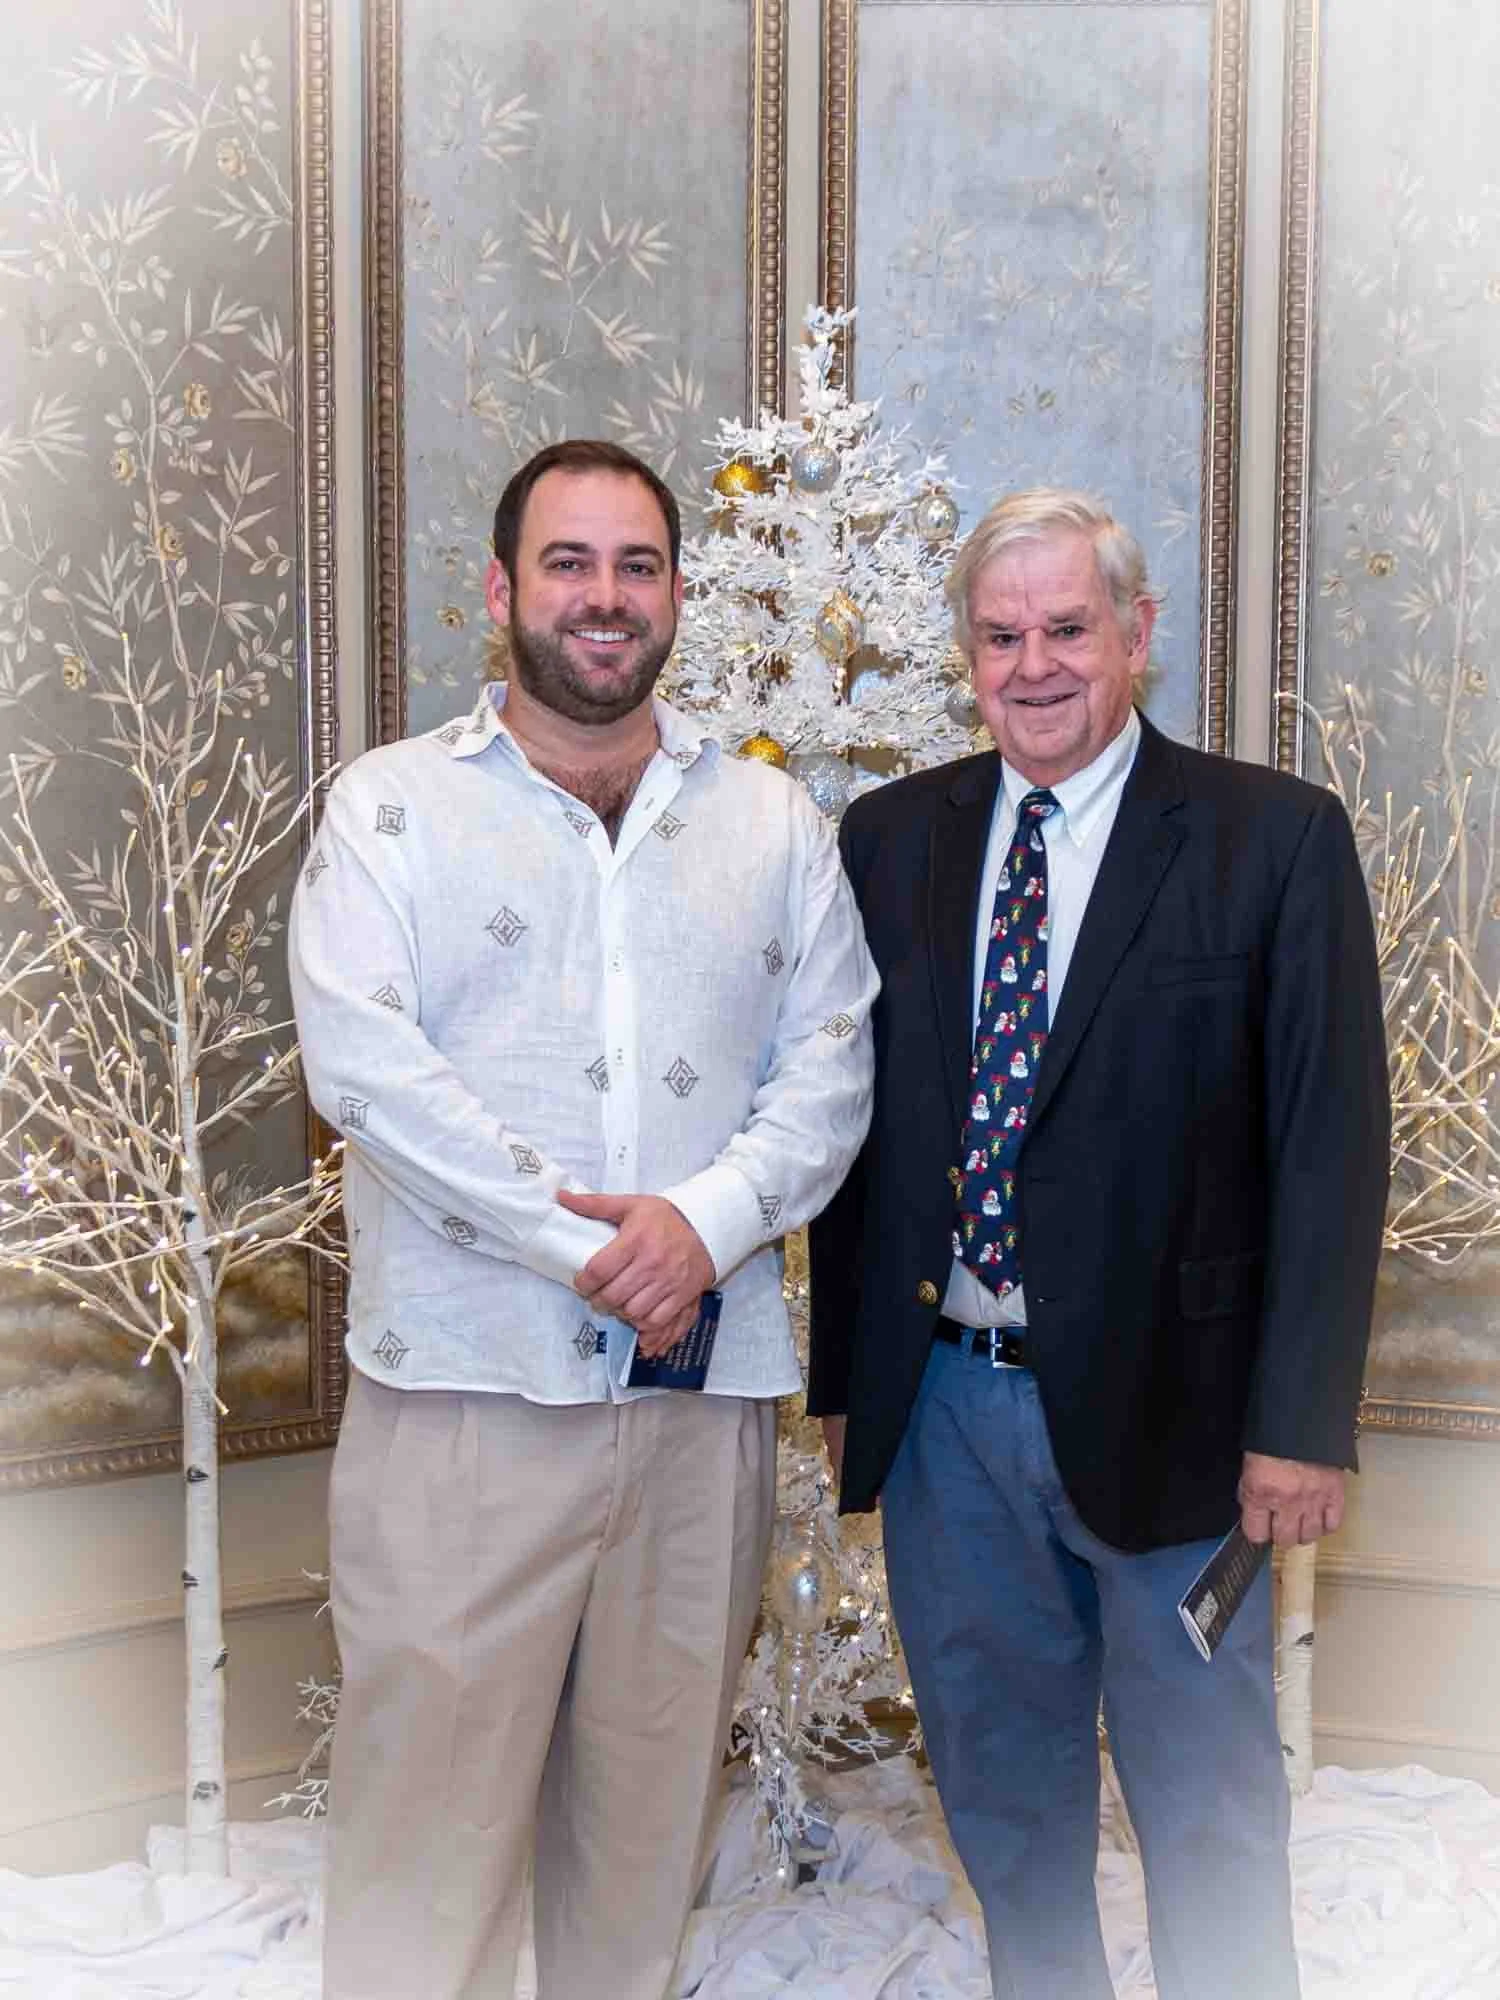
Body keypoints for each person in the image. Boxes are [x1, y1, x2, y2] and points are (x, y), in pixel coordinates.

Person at [289, 439, 877, 2000]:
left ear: (678, 593)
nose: (603, 599)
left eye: (636, 566)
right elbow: (369, 1072)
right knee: (427, 1857)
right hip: (464, 1397)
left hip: (702, 1411)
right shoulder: (391, 812)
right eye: (568, 563)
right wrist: (598, 1253)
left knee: (643, 1840)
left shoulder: (774, 828)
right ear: (500, 591)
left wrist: (703, 1226)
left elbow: (832, 1070)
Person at [807, 488, 1389, 2000]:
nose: (1035, 663)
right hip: (947, 1415)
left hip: (1187, 1426)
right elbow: (850, 1122)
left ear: (1136, 636)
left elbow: (1331, 1151)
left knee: (1204, 1807)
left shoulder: (1271, 841)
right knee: (1003, 1796)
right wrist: (848, 1393)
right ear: (967, 657)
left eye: (1068, 627)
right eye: (1001, 636)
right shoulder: (889, 839)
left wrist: (1301, 1426)